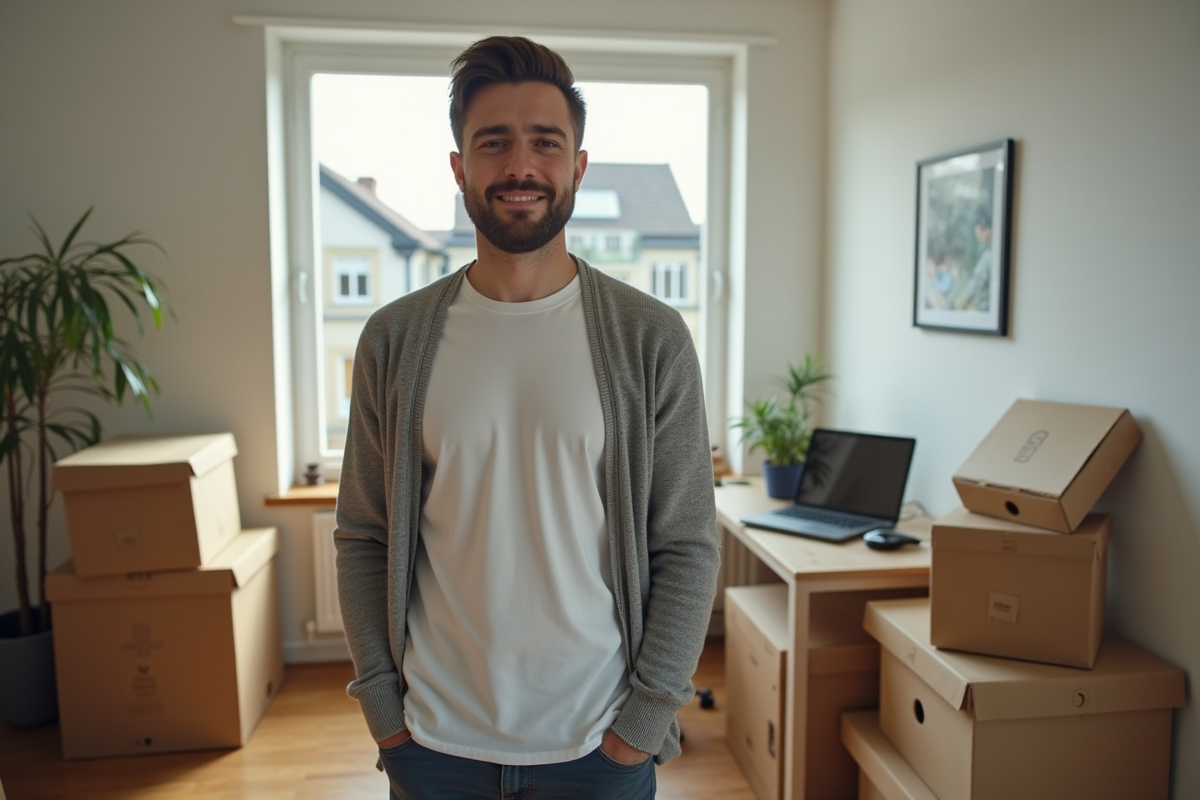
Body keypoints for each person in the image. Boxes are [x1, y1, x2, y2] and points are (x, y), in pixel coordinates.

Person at [334, 35, 720, 800]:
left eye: (546, 142)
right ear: (459, 168)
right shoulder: (395, 338)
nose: (521, 166)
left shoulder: (650, 338)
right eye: (494, 142)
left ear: (578, 166)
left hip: (598, 749)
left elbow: (686, 545)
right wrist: (385, 714)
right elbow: (365, 536)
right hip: (433, 745)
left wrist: (641, 727)